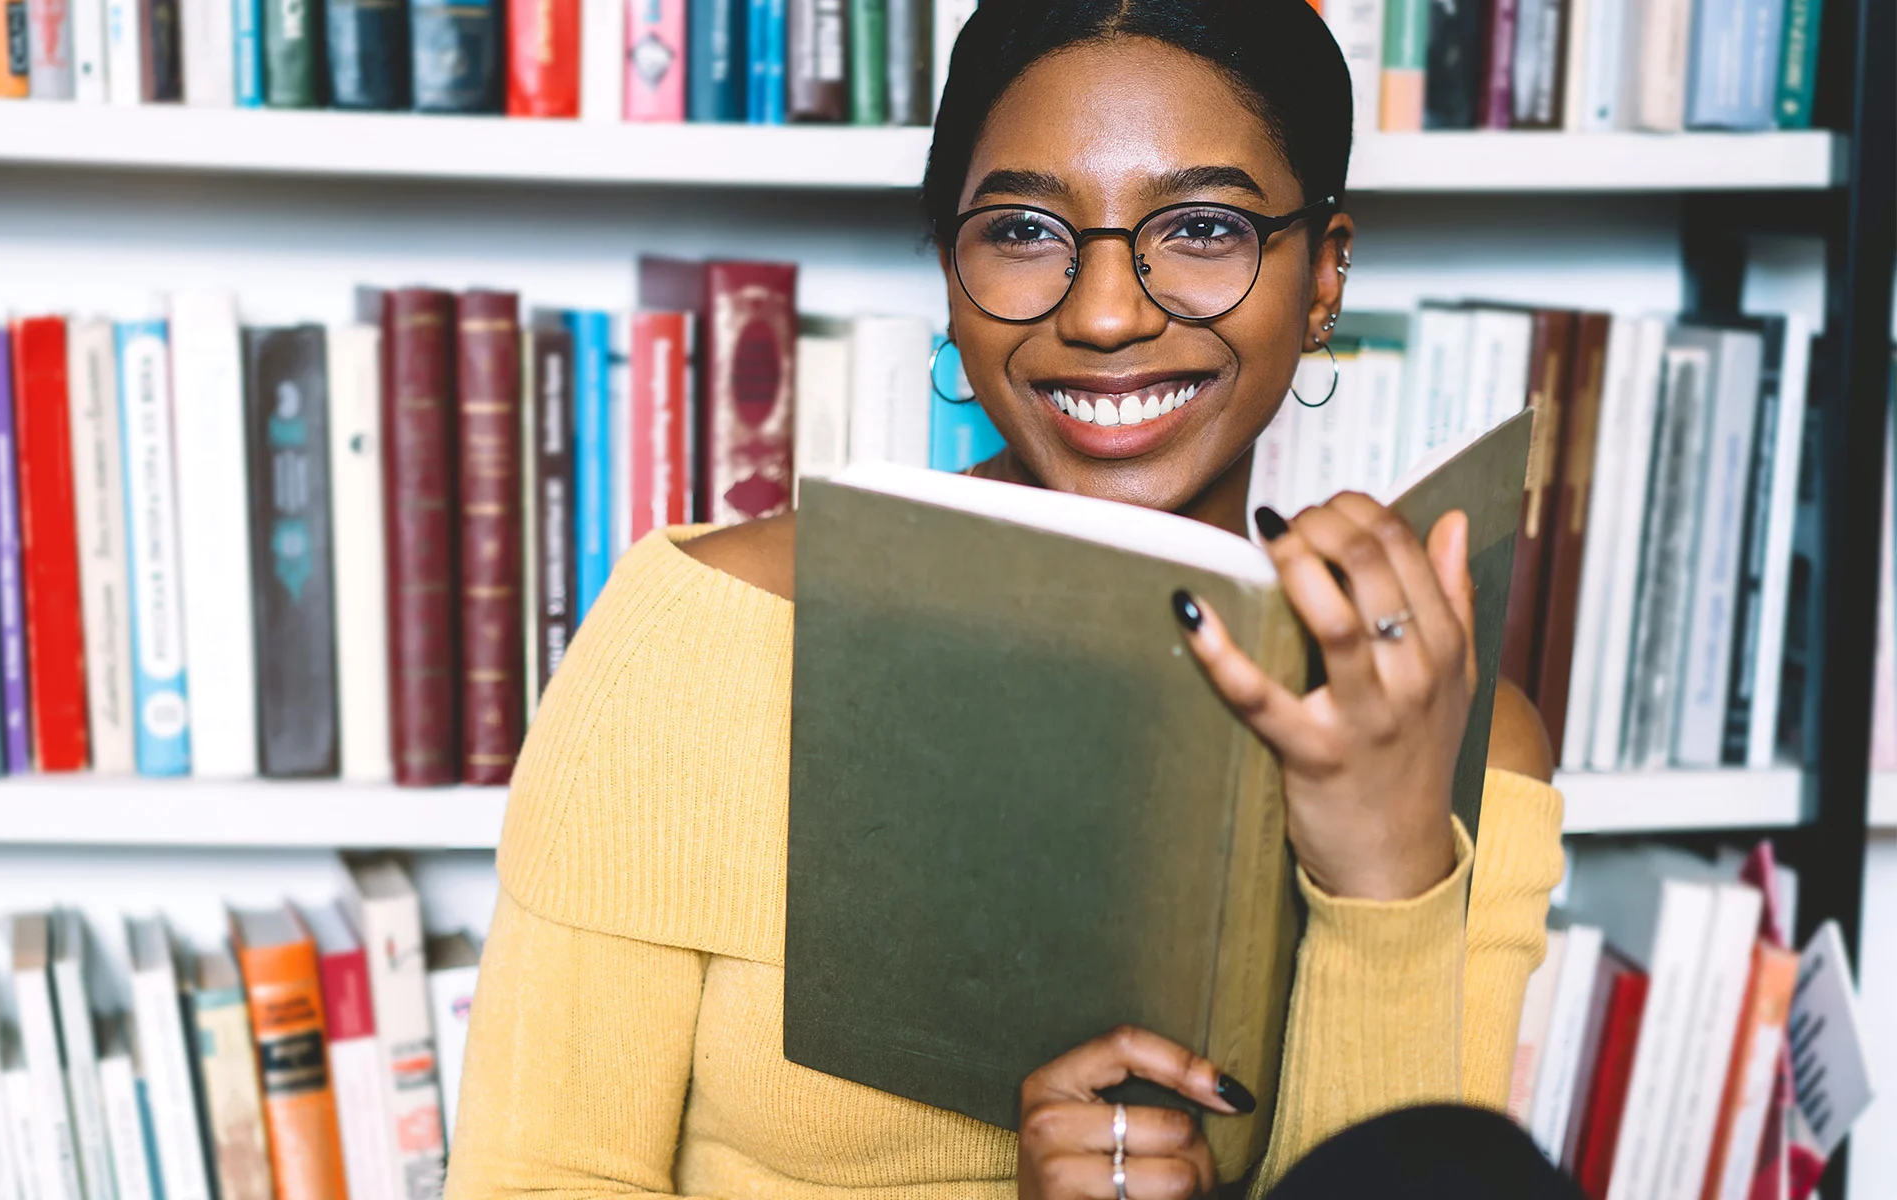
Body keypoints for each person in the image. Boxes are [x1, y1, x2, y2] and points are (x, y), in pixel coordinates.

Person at [447, 1, 1566, 1196]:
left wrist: (1384, 874)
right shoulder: (705, 639)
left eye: (1200, 227)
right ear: (951, 277)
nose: (1102, 313)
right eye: (1025, 231)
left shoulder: (1457, 732)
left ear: (1324, 275)